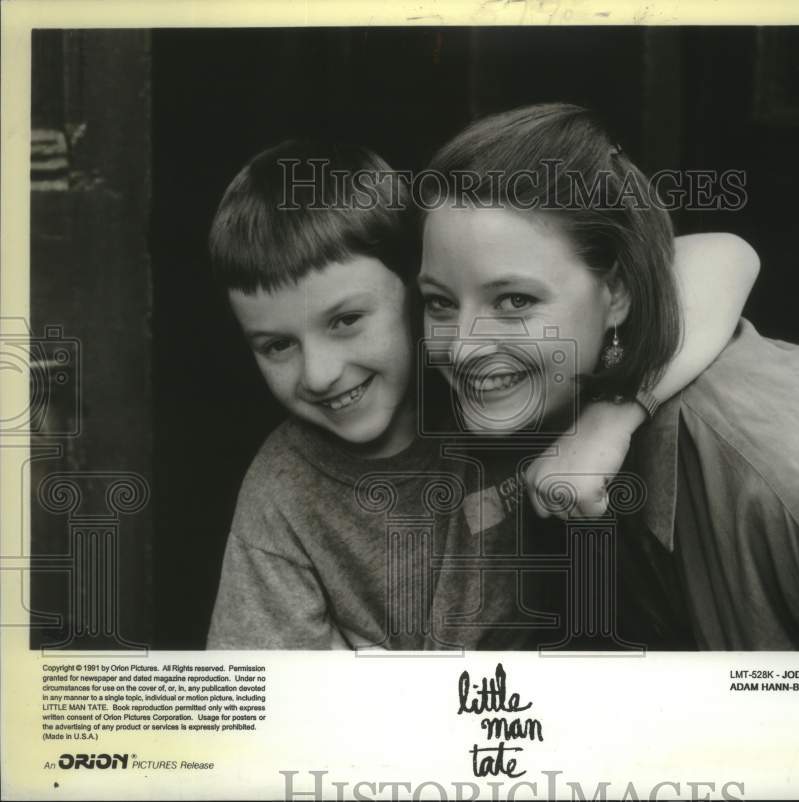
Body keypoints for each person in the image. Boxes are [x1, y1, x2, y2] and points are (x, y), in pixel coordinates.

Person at [418, 102, 799, 651]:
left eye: (515, 300)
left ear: (620, 294)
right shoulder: (552, 396)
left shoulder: (797, 489)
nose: (463, 346)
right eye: (438, 302)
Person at [204, 138, 759, 649]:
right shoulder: (284, 490)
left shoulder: (490, 386)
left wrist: (610, 421)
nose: (320, 373)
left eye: (346, 320)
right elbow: (265, 707)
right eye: (276, 345)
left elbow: (724, 255)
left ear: (421, 288)